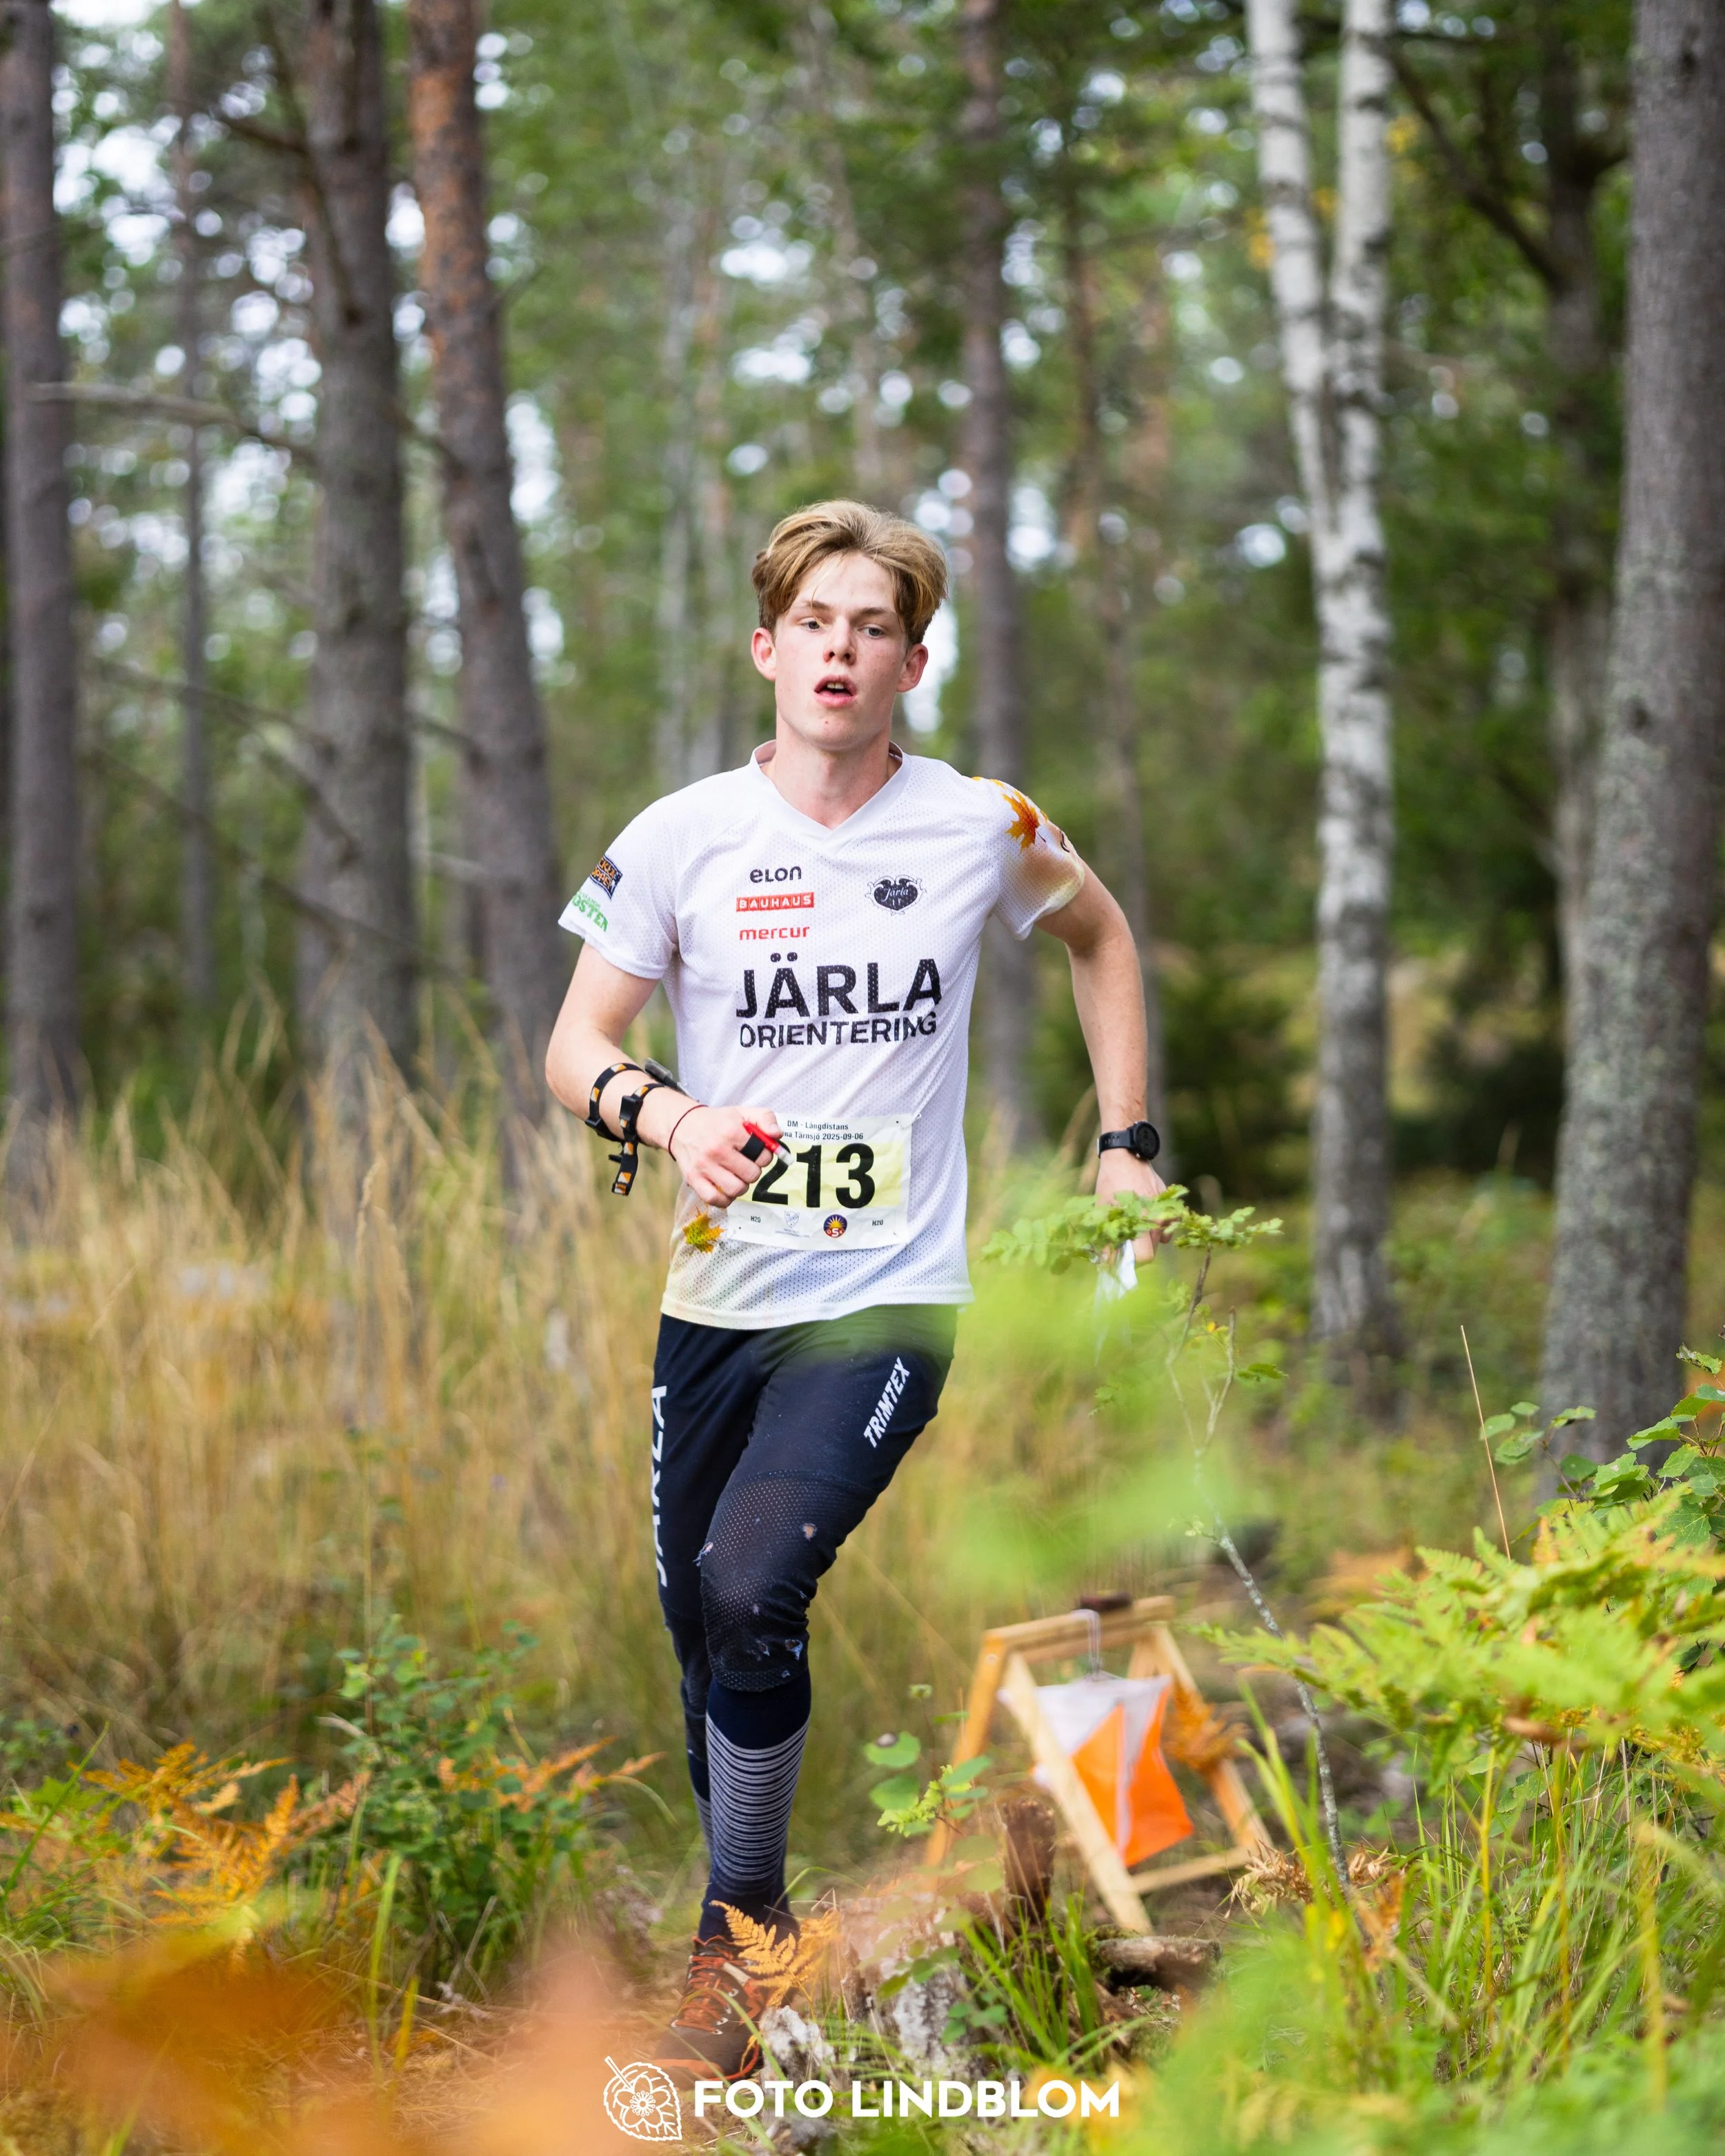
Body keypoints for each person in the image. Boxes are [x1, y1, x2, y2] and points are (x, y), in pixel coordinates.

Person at [544, 500, 1165, 2079]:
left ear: (910, 659)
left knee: (757, 1584)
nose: (840, 647)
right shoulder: (677, 835)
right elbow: (573, 1047)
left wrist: (1126, 1145)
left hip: (886, 1299)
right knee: (703, 1628)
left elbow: (1098, 938)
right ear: (767, 649)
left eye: (871, 625)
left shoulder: (980, 823)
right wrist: (670, 1114)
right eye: (813, 621)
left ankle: (734, 1938)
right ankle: (749, 1922)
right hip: (715, 1304)